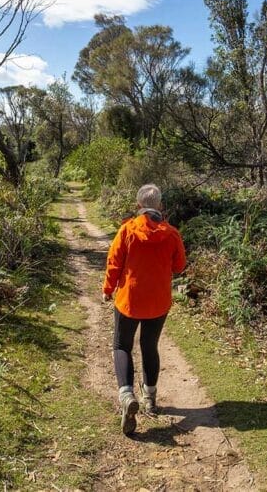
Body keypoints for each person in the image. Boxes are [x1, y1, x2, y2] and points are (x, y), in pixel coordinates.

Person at [102, 183, 186, 435]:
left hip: (129, 300)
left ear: (139, 205)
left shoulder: (127, 230)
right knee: (149, 346)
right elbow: (179, 266)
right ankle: (149, 398)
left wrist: (108, 289)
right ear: (159, 205)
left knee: (121, 346)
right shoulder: (171, 234)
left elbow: (114, 263)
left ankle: (127, 395)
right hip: (158, 302)